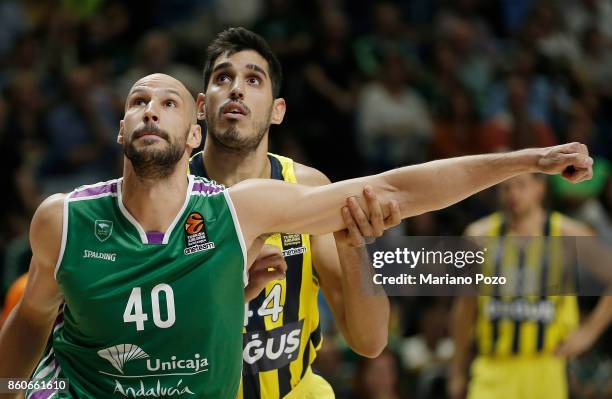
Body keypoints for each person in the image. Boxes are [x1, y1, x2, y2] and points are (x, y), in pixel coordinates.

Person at [0, 70, 593, 398]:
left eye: (169, 102)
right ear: (120, 128)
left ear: (194, 135)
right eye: (138, 100)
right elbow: (30, 322)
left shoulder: (250, 205)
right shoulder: (64, 218)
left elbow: (395, 191)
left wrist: (527, 158)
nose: (151, 108)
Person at [189, 27, 398, 399]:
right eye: (224, 77)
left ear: (277, 111)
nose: (237, 88)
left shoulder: (309, 189)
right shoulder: (170, 194)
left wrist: (353, 247)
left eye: (254, 79)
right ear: (202, 106)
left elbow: (370, 341)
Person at [449, 173, 612, 399]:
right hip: (493, 366)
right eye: (506, 187)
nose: (513, 194)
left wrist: (589, 333)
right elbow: (465, 308)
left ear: (539, 188)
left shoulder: (567, 233)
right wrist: (457, 369)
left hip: (546, 366)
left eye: (521, 185)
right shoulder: (479, 236)